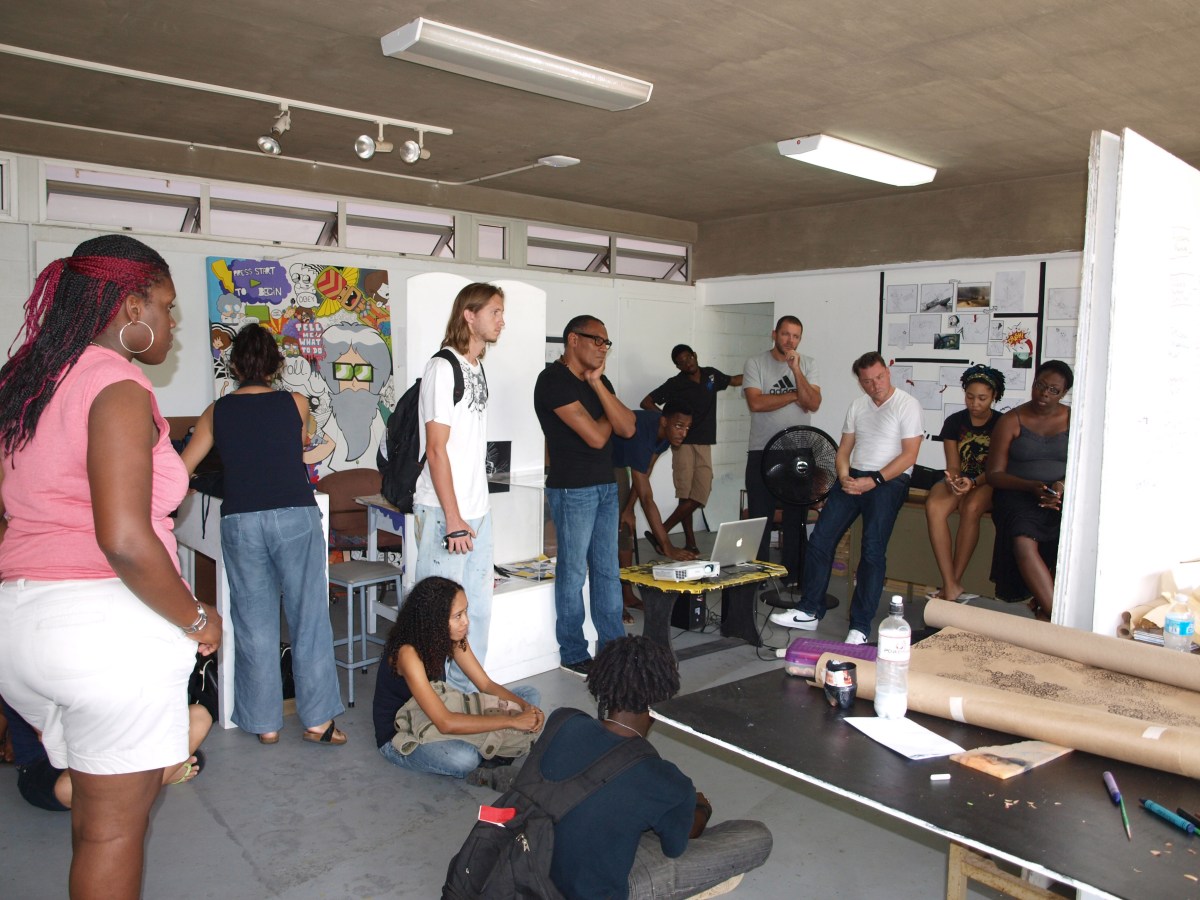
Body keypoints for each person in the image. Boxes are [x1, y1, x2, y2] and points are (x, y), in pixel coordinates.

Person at [0, 235, 222, 900]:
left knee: (95, 816)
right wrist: (197, 618)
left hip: (22, 622)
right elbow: (124, 539)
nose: (172, 323)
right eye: (166, 306)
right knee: (112, 837)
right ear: (131, 305)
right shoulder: (117, 384)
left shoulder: (26, 380)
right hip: (104, 633)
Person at [182, 324, 346, 747]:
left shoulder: (216, 411)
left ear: (235, 366)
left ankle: (265, 724)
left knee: (253, 621)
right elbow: (297, 447)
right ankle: (318, 722)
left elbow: (182, 469)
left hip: (241, 520)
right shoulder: (296, 403)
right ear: (276, 365)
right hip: (294, 515)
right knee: (309, 617)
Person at [539, 635, 772, 898]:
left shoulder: (563, 720)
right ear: (663, 696)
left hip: (532, 865)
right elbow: (676, 846)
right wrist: (701, 809)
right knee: (756, 836)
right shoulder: (664, 780)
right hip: (593, 891)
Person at [770, 352, 922, 644]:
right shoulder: (858, 406)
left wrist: (874, 480)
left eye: (879, 378)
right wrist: (843, 477)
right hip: (854, 478)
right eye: (868, 381)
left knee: (872, 549)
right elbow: (843, 450)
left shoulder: (907, 405)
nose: (875, 385)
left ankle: (860, 627)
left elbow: (909, 455)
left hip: (889, 481)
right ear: (860, 382)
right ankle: (809, 611)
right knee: (820, 539)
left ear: (887, 373)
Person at [413, 283, 505, 691]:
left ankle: (467, 694)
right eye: (494, 312)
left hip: (477, 511)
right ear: (470, 315)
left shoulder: (476, 366)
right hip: (443, 512)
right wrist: (453, 518)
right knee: (437, 617)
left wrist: (474, 513)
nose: (501, 321)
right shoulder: (442, 367)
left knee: (477, 612)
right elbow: (436, 450)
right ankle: (430, 699)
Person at [534, 315, 636, 677]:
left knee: (608, 571)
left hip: (606, 484)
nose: (603, 348)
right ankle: (573, 650)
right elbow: (596, 436)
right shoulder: (552, 381)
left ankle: (612, 647)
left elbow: (628, 427)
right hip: (572, 487)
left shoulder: (599, 380)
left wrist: (597, 386)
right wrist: (609, 411)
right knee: (574, 571)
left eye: (607, 343)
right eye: (597, 340)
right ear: (573, 340)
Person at [371, 576, 543, 786]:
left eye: (465, 612)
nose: (466, 621)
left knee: (529, 695)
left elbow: (486, 685)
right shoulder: (408, 654)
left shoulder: (451, 637)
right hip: (403, 732)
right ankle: (491, 752)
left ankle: (490, 751)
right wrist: (512, 721)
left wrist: (528, 709)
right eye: (458, 616)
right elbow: (445, 722)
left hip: (440, 709)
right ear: (435, 620)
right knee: (464, 758)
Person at [1, 684, 215, 812]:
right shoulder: (20, 664)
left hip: (110, 751)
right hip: (48, 769)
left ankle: (146, 778)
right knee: (71, 786)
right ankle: (160, 776)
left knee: (198, 716)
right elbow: (49, 734)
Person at [985, 360, 1073, 620]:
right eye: (1040, 385)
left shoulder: (1074, 419)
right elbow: (994, 474)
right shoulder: (1012, 420)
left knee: (1072, 536)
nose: (1044, 394)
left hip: (1060, 495)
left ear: (1064, 393)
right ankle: (1058, 617)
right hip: (1017, 493)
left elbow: (1086, 464)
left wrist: (1061, 486)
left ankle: (1045, 608)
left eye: (1053, 390)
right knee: (1024, 539)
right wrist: (1031, 486)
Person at [742, 316, 821, 594]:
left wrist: (796, 371)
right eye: (786, 334)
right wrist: (795, 395)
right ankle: (759, 574)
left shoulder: (807, 364)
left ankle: (793, 575)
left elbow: (813, 403)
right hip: (762, 450)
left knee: (795, 516)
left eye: (796, 336)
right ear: (774, 334)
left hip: (798, 450)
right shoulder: (755, 363)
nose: (790, 341)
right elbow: (756, 402)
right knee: (760, 516)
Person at [641, 346, 742, 553]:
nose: (687, 363)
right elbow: (646, 402)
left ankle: (662, 531)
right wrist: (670, 424)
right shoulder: (675, 383)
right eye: (682, 361)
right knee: (685, 493)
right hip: (683, 443)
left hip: (704, 442)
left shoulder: (711, 375)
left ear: (695, 355)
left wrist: (757, 374)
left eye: (689, 357)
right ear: (677, 366)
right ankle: (691, 543)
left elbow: (733, 380)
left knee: (701, 491)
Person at [924, 364, 1006, 603]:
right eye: (970, 397)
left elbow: (997, 469)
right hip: (962, 478)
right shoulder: (954, 422)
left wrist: (974, 482)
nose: (975, 403)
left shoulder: (1003, 423)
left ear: (994, 396)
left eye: (982, 398)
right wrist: (955, 480)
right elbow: (953, 464)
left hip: (988, 480)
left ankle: (953, 581)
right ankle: (951, 584)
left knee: (970, 507)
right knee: (934, 507)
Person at [614, 402, 695, 617]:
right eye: (679, 426)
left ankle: (627, 594)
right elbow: (647, 499)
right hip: (600, 461)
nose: (683, 433)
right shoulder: (642, 434)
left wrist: (629, 509)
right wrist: (666, 545)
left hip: (619, 463)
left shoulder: (665, 436)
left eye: (687, 428)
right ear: (664, 421)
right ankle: (614, 602)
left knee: (625, 529)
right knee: (612, 532)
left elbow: (645, 470)